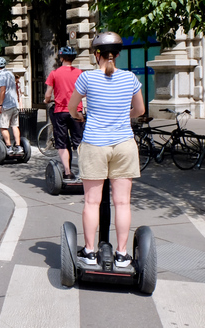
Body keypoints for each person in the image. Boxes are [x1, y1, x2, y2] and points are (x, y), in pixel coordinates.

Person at [68, 32, 145, 268]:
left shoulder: (86, 78)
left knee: (92, 202)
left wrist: (79, 116)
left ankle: (89, 252)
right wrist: (123, 116)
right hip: (124, 145)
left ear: (96, 54)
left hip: (95, 144)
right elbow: (140, 110)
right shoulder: (130, 78)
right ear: (119, 54)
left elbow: (72, 108)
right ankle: (122, 255)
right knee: (122, 203)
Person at [44, 46, 84, 179]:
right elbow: (85, 92)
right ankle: (84, 171)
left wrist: (46, 100)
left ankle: (67, 172)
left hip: (60, 111)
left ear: (61, 58)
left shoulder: (54, 74)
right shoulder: (80, 73)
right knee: (79, 142)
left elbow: (48, 94)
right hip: (76, 112)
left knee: (62, 142)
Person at [0, 57, 21, 155]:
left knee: (3, 126)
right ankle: (18, 146)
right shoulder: (10, 74)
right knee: (15, 126)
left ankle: (9, 147)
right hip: (14, 104)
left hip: (6, 105)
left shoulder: (1, 75)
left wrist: (0, 105)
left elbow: (3, 91)